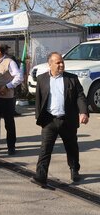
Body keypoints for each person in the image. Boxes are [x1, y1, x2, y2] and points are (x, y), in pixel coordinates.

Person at [31, 52, 89, 187]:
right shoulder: (42, 79)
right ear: (50, 64)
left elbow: (80, 96)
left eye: (62, 62)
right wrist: (39, 117)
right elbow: (39, 100)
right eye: (58, 63)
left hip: (67, 120)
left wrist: (83, 112)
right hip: (49, 120)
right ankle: (40, 176)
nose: (61, 65)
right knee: (45, 149)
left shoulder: (72, 79)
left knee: (72, 147)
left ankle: (74, 169)